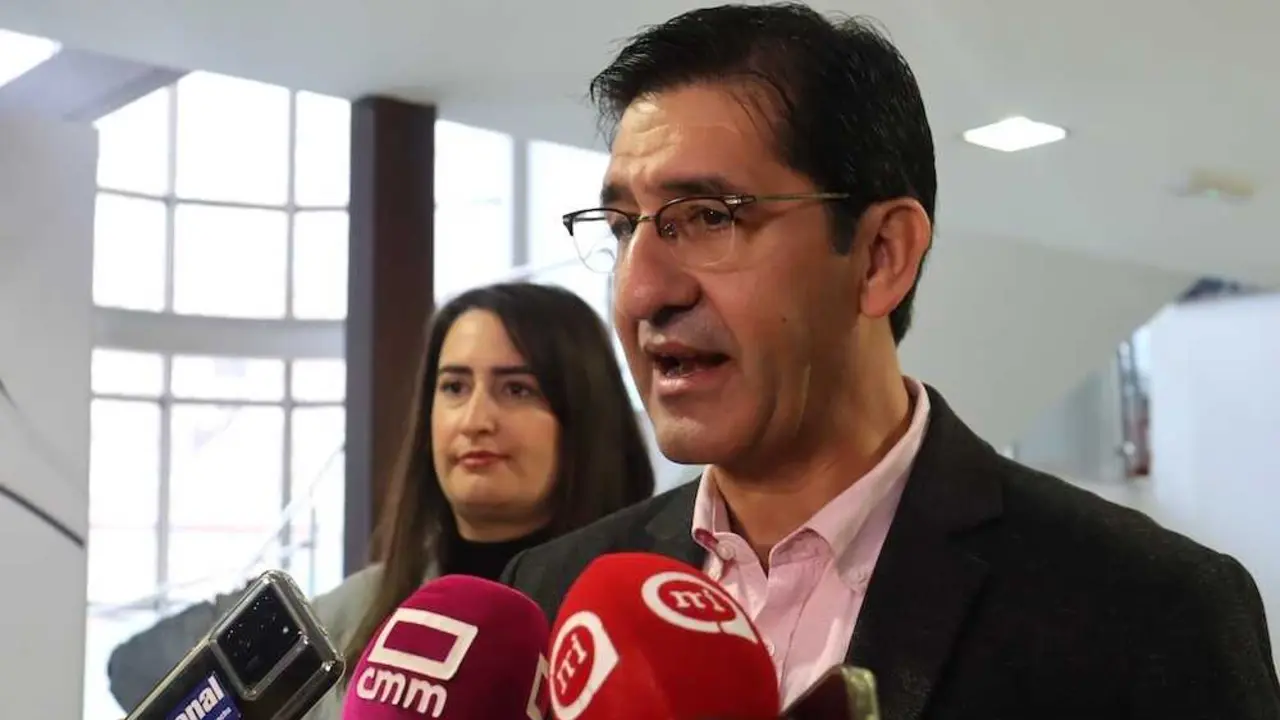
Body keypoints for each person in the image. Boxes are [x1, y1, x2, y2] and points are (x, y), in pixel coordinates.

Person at [502, 4, 1280, 719]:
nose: (641, 289)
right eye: (621, 226)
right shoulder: (550, 598)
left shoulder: (1146, 612)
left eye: (708, 217)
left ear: (880, 256)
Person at [107, 282, 656, 719]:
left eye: (517, 389)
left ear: (586, 417)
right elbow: (133, 667)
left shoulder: (637, 612)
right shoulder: (357, 609)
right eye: (454, 387)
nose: (475, 420)